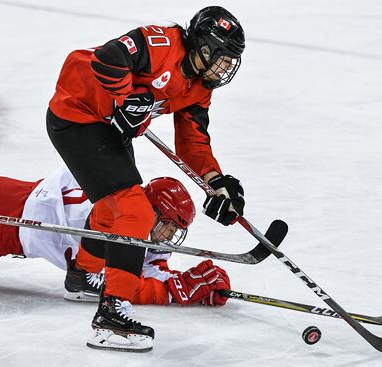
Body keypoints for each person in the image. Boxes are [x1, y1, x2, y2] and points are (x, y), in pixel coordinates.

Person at [45, 6, 246, 351]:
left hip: (110, 129)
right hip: (77, 115)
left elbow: (193, 141)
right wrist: (125, 99)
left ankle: (82, 276)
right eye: (223, 58)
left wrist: (217, 181)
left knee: (112, 210)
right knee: (135, 211)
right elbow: (107, 58)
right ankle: (111, 316)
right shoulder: (162, 44)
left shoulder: (199, 88)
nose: (226, 68)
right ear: (204, 47)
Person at [0, 168, 231, 338]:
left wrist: (193, 285)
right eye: (168, 224)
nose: (169, 236)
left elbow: (146, 269)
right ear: (152, 211)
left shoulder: (132, 214)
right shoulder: (112, 218)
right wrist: (171, 291)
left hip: (7, 210)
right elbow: (113, 284)